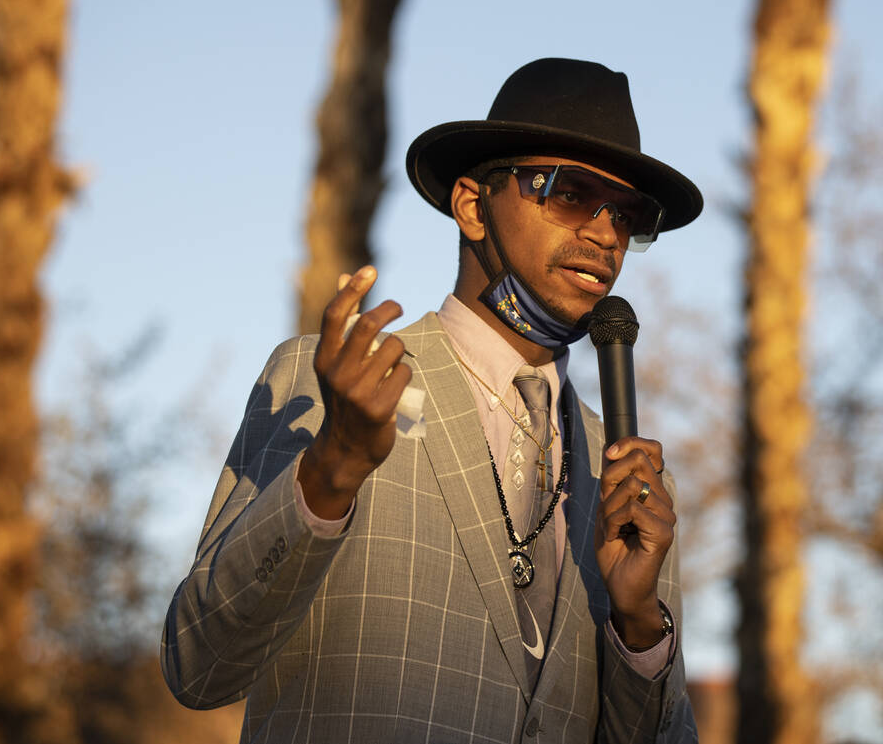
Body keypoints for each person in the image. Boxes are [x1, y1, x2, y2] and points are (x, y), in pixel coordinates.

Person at [161, 57, 703, 743]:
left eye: (629, 215)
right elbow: (199, 665)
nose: (604, 234)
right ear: (473, 205)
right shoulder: (333, 383)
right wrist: (332, 470)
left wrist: (637, 627)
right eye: (570, 193)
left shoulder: (631, 482)